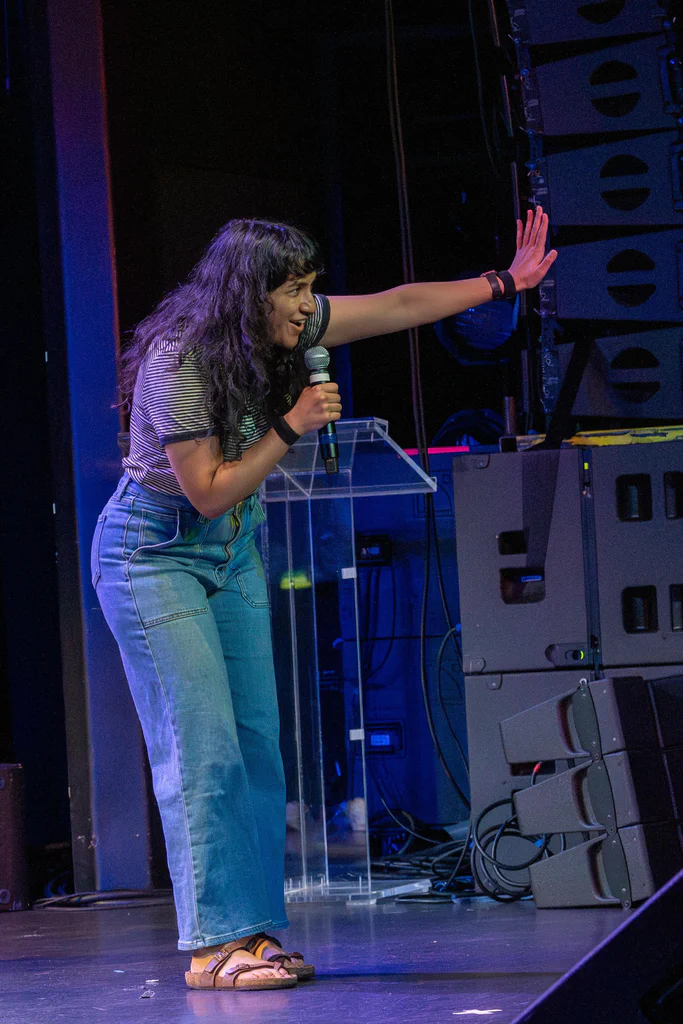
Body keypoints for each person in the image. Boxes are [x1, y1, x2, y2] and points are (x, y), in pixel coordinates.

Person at [91, 210, 556, 992]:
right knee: (201, 746)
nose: (309, 308)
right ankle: (211, 948)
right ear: (250, 296)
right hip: (154, 554)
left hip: (235, 548)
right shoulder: (181, 360)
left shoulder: (280, 328)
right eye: (294, 292)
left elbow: (399, 303)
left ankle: (254, 932)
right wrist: (291, 425)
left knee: (256, 743)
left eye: (310, 290)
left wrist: (503, 281)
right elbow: (204, 491)